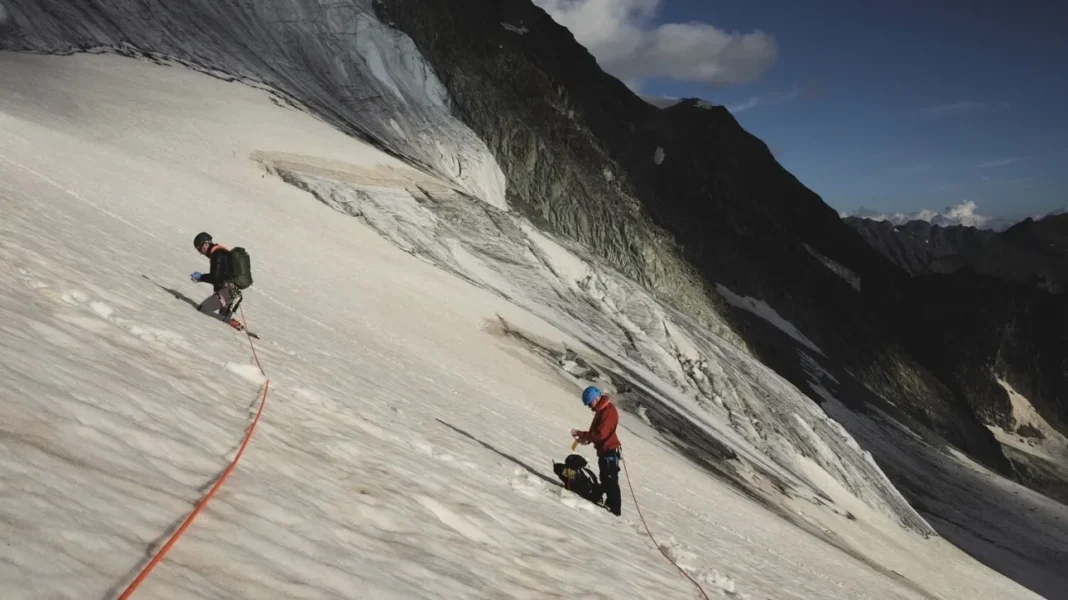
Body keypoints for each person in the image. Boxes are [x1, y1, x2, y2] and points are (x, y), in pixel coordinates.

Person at [571, 386, 622, 516]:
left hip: (609, 451)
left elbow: (600, 435)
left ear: (596, 399)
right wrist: (586, 438)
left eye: (590, 403)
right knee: (607, 479)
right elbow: (597, 433)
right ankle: (607, 504)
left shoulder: (608, 411)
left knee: (610, 481)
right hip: (605, 451)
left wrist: (583, 435)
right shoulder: (602, 410)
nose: (590, 407)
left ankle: (615, 510)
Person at [190, 232, 243, 329]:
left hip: (226, 291)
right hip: (232, 290)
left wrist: (200, 277)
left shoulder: (217, 255)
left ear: (206, 244)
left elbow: (216, 278)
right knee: (222, 321)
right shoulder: (222, 252)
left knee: (203, 310)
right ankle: (236, 327)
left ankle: (232, 323)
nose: (201, 252)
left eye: (199, 248)